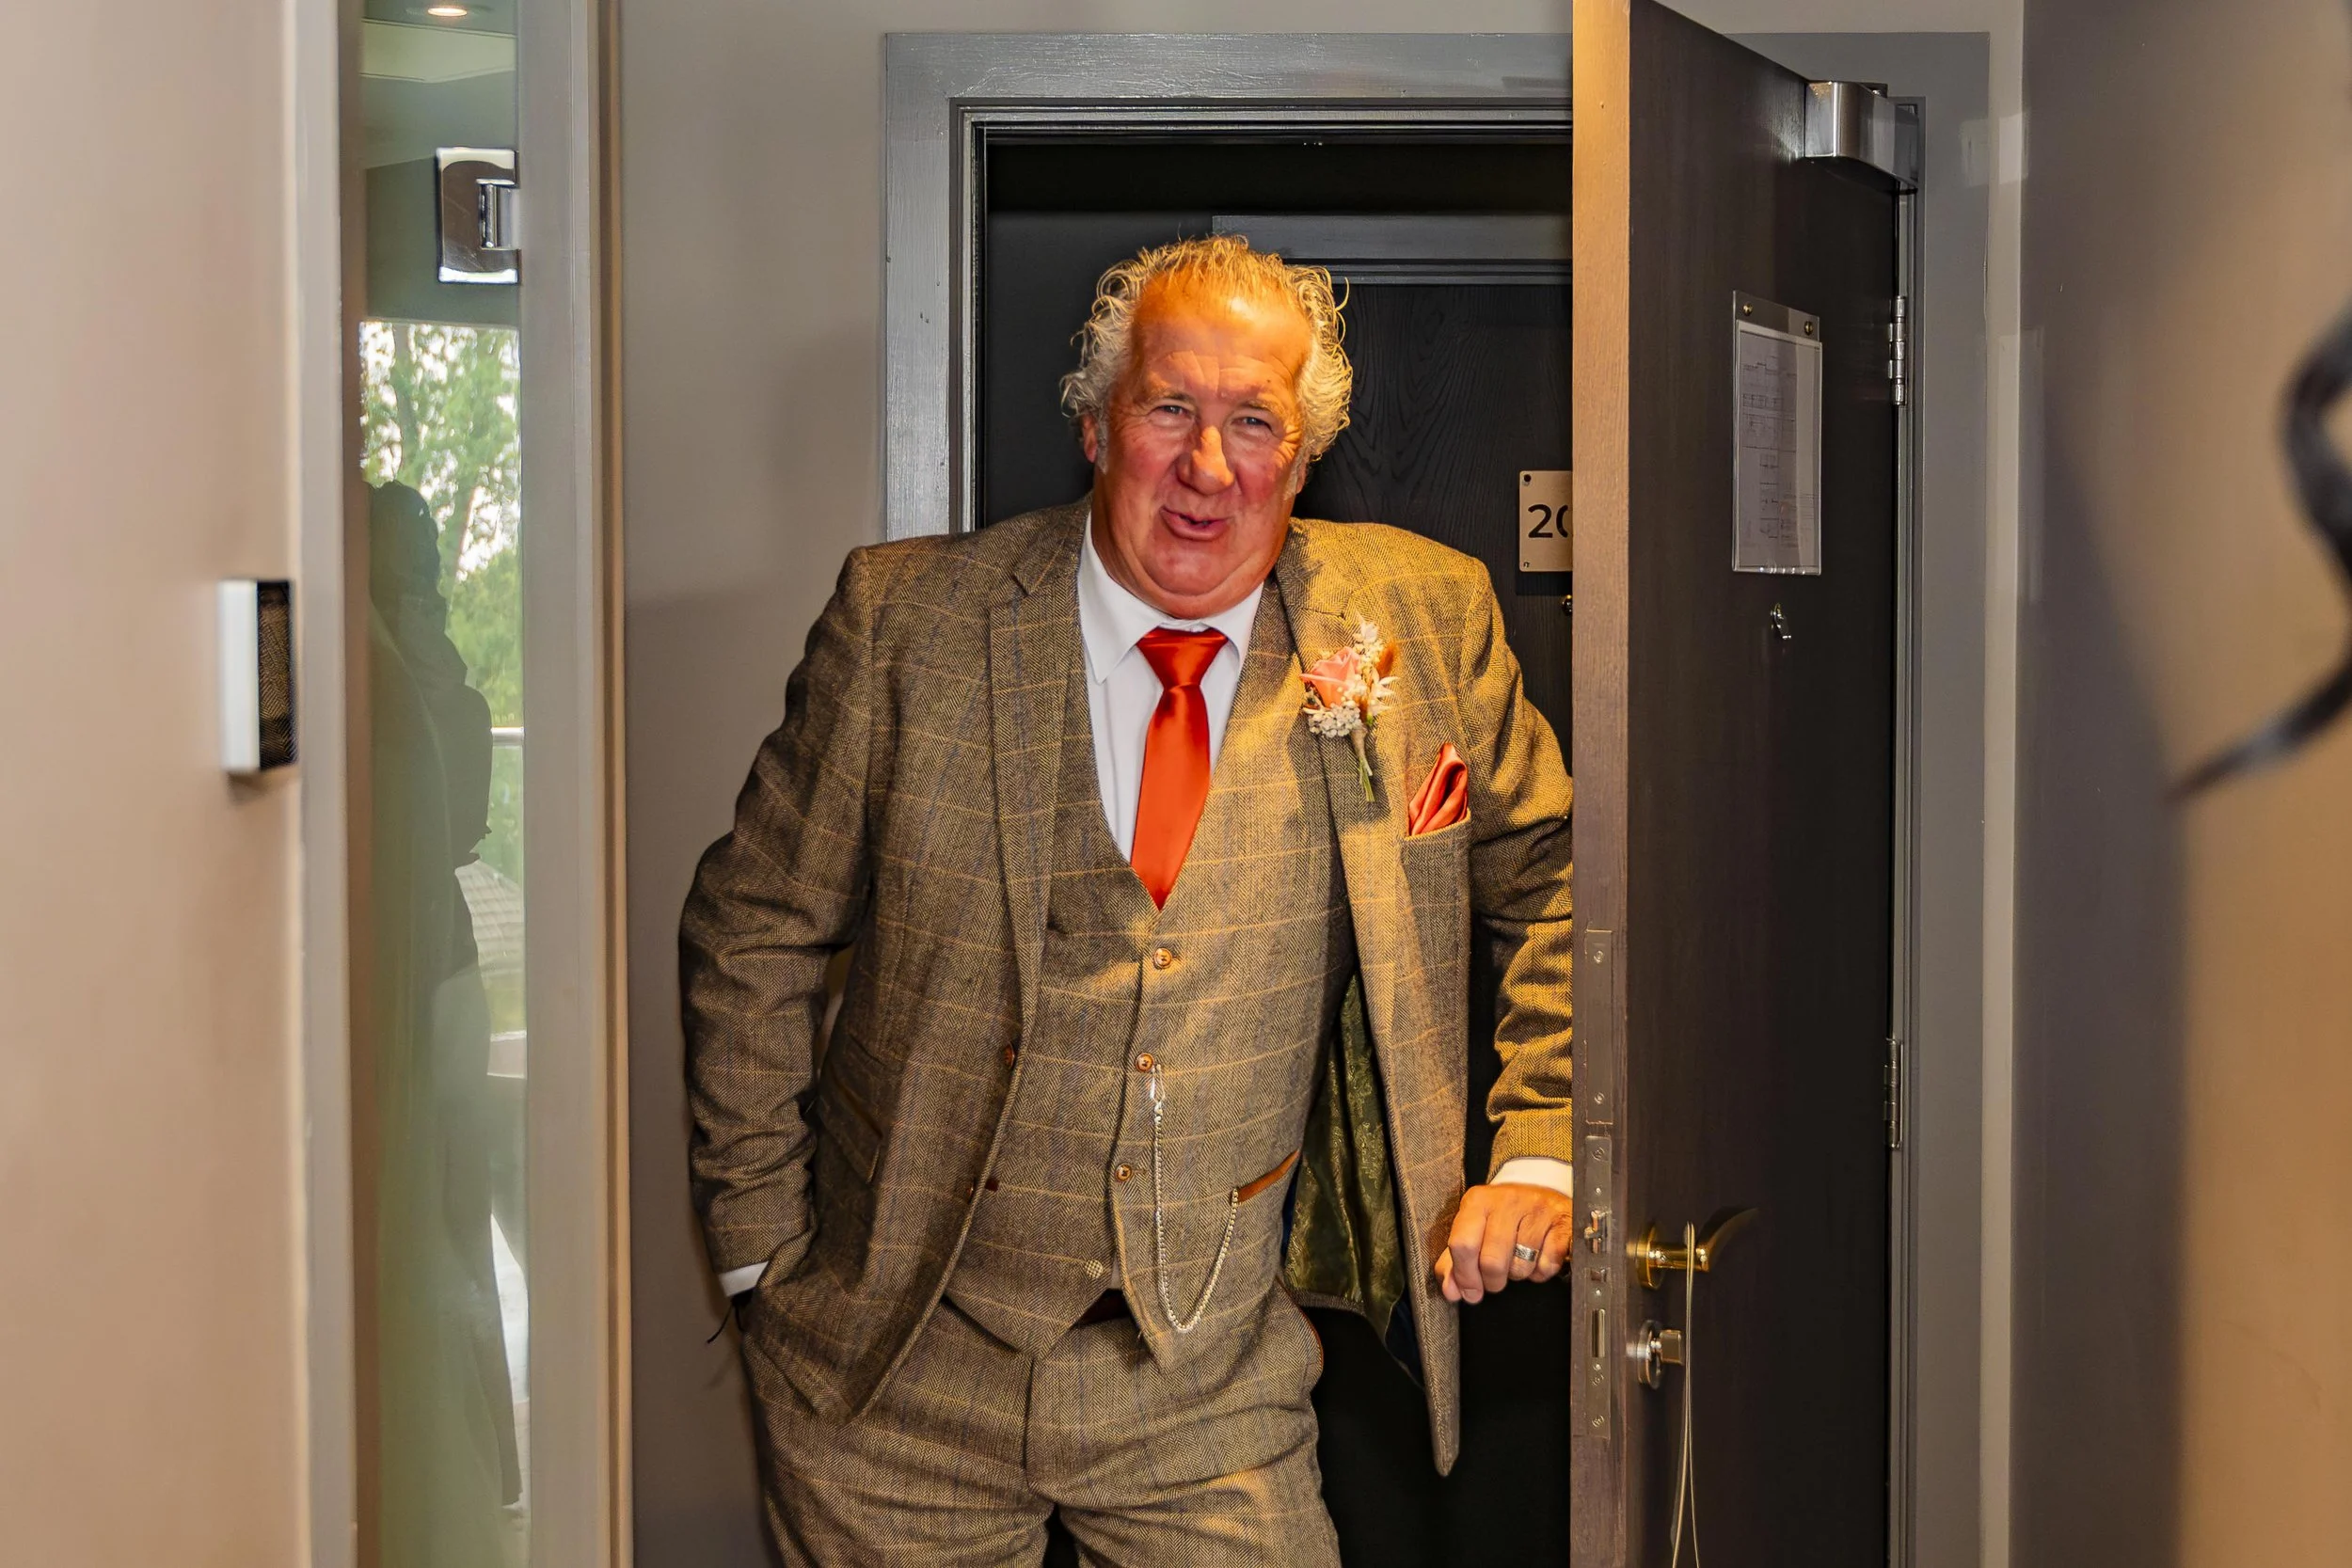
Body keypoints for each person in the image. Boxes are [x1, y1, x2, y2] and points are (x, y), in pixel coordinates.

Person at [681, 234, 1577, 1565]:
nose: (1208, 468)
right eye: (1171, 408)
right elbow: (753, 927)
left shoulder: (1418, 622)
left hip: (1208, 1379)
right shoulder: (907, 625)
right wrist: (763, 1258)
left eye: (1253, 421)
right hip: (897, 1371)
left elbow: (1554, 876)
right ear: (1099, 426)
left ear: (1305, 451)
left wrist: (1541, 1141)